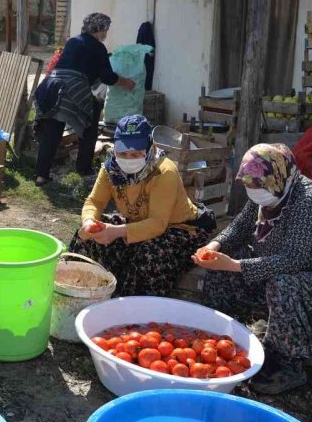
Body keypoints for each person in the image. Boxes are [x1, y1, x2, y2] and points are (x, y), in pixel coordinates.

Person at [193, 143, 312, 395]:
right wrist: (213, 245)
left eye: (256, 185)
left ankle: (287, 364)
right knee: (226, 261)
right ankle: (225, 337)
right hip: (281, 269)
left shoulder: (309, 202)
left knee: (281, 282)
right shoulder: (269, 191)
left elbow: (292, 260)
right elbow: (238, 229)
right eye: (248, 185)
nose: (253, 191)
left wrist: (235, 265)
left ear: (279, 176)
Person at [71, 115, 216, 297]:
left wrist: (115, 231)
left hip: (180, 229)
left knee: (151, 253)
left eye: (135, 154)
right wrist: (89, 222)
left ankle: (134, 309)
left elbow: (157, 224)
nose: (128, 159)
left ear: (149, 147)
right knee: (89, 237)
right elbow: (95, 202)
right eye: (122, 153)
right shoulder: (110, 169)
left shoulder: (164, 172)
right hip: (138, 222)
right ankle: (87, 294)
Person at [33, 13, 137, 186]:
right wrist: (126, 83)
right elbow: (107, 77)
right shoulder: (98, 47)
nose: (106, 33)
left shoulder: (73, 41)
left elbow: (81, 65)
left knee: (51, 132)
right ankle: (84, 169)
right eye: (105, 29)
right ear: (99, 29)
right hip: (71, 88)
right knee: (90, 122)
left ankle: (41, 175)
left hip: (51, 86)